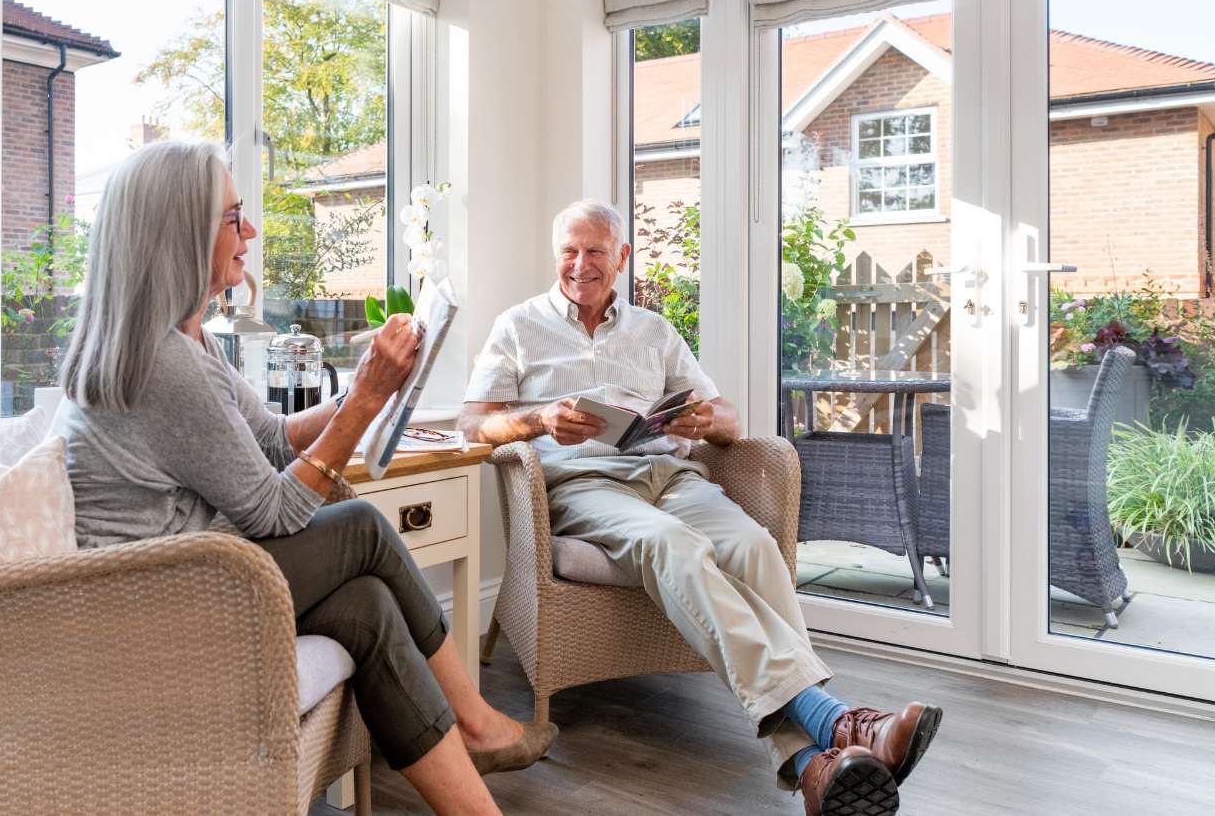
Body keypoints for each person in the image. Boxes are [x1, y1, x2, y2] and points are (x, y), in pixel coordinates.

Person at [55, 140, 555, 815]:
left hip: (186, 576)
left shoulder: (186, 340)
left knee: (368, 608)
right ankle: (474, 722)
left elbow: (272, 435)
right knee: (361, 528)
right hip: (153, 610)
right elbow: (273, 512)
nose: (250, 232)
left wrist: (365, 384)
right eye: (233, 216)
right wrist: (368, 401)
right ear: (181, 232)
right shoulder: (162, 363)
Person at [457, 199, 942, 816]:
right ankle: (842, 723)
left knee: (753, 546)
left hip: (668, 474)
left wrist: (703, 419)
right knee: (672, 545)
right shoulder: (518, 326)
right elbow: (473, 423)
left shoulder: (653, 331)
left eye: (595, 252)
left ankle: (811, 765)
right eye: (569, 252)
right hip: (585, 486)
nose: (580, 265)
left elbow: (728, 418)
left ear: (622, 257)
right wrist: (537, 419)